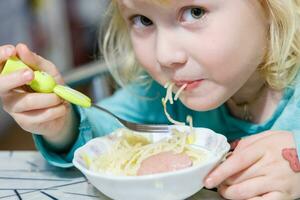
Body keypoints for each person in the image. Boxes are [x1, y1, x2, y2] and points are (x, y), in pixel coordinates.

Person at [0, 0, 300, 199]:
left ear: (271, 7)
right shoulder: (156, 93)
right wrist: (61, 121)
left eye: (195, 12)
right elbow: (108, 132)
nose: (165, 55)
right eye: (143, 20)